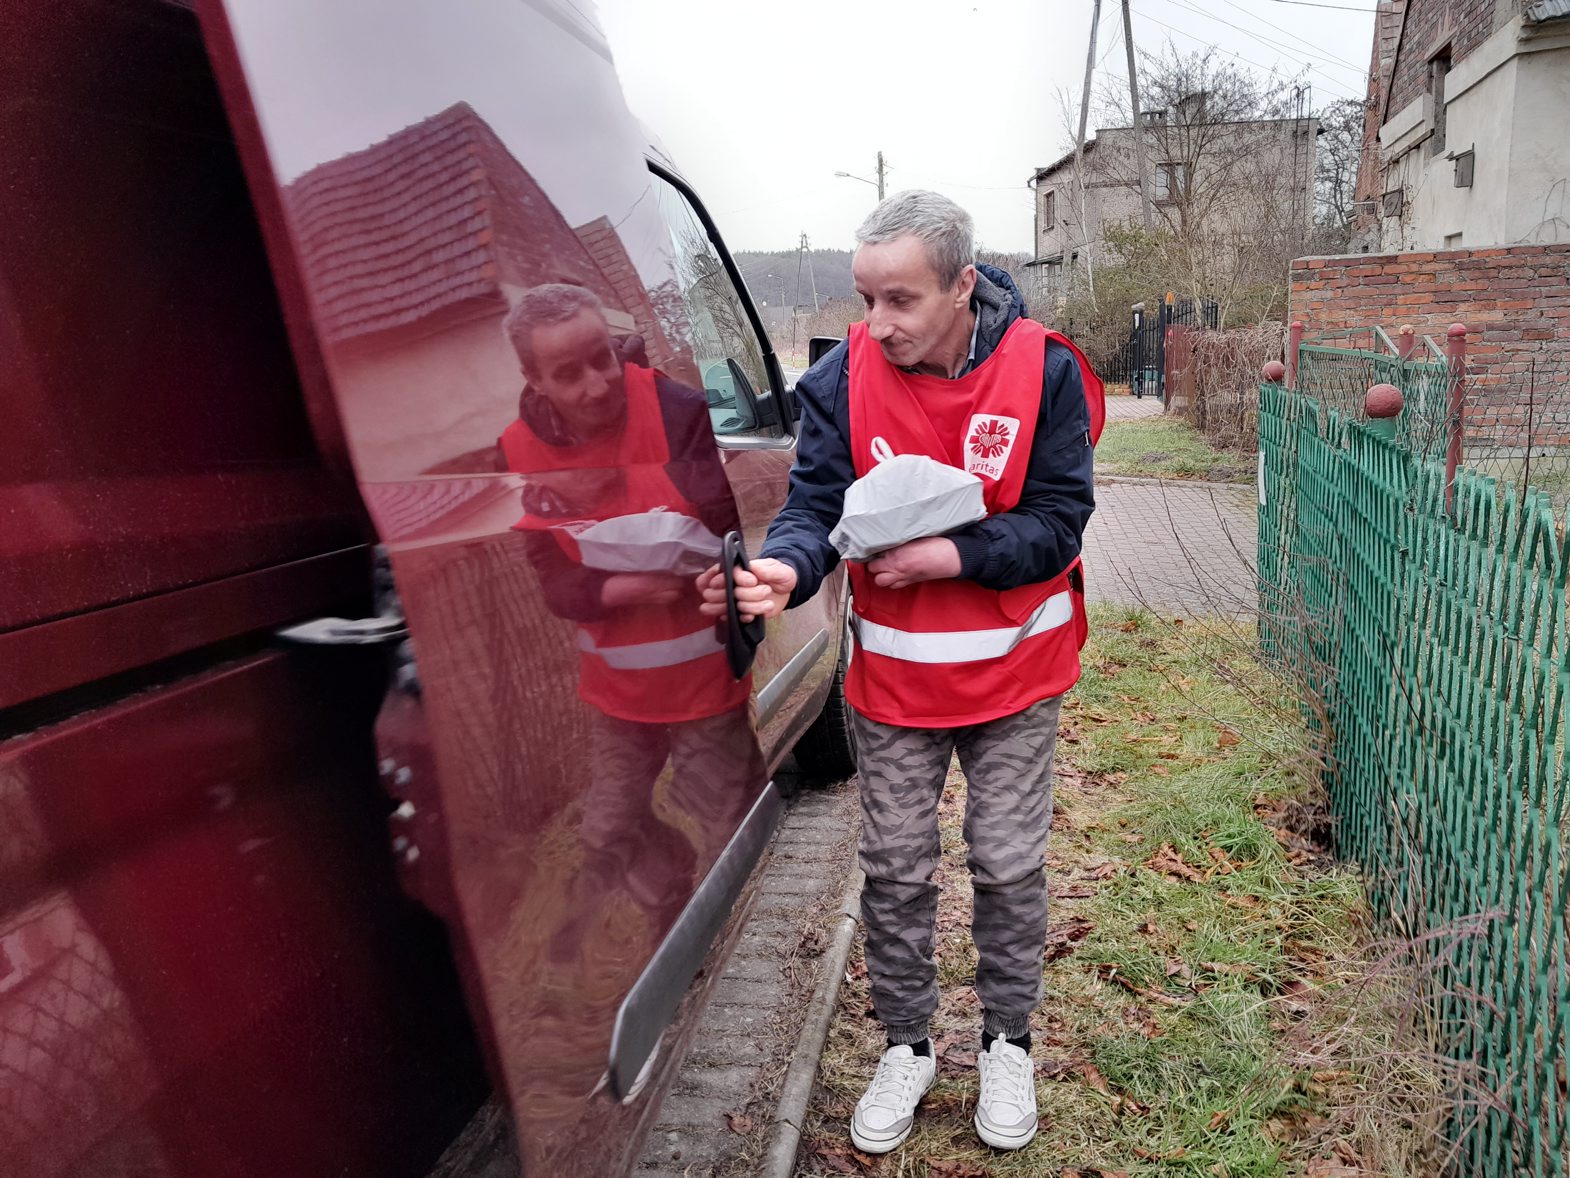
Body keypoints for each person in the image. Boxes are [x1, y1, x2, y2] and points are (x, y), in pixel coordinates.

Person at [698, 191, 1100, 1153]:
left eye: (901, 300)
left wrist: (952, 556)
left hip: (1014, 677)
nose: (877, 323)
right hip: (895, 689)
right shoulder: (840, 379)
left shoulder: (1043, 371)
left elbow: (1060, 520)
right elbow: (814, 508)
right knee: (895, 870)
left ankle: (1006, 1042)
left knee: (1007, 865)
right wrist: (788, 568)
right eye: (866, 298)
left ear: (963, 285)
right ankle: (908, 1046)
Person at [500, 283, 760, 947]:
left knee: (728, 821)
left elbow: (725, 532)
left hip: (703, 685)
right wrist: (620, 590)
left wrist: (706, 573)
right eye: (568, 374)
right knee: (607, 830)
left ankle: (736, 948)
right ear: (534, 379)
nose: (596, 385)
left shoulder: (676, 411)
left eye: (602, 359)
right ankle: (668, 881)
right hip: (617, 694)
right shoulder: (517, 451)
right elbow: (551, 579)